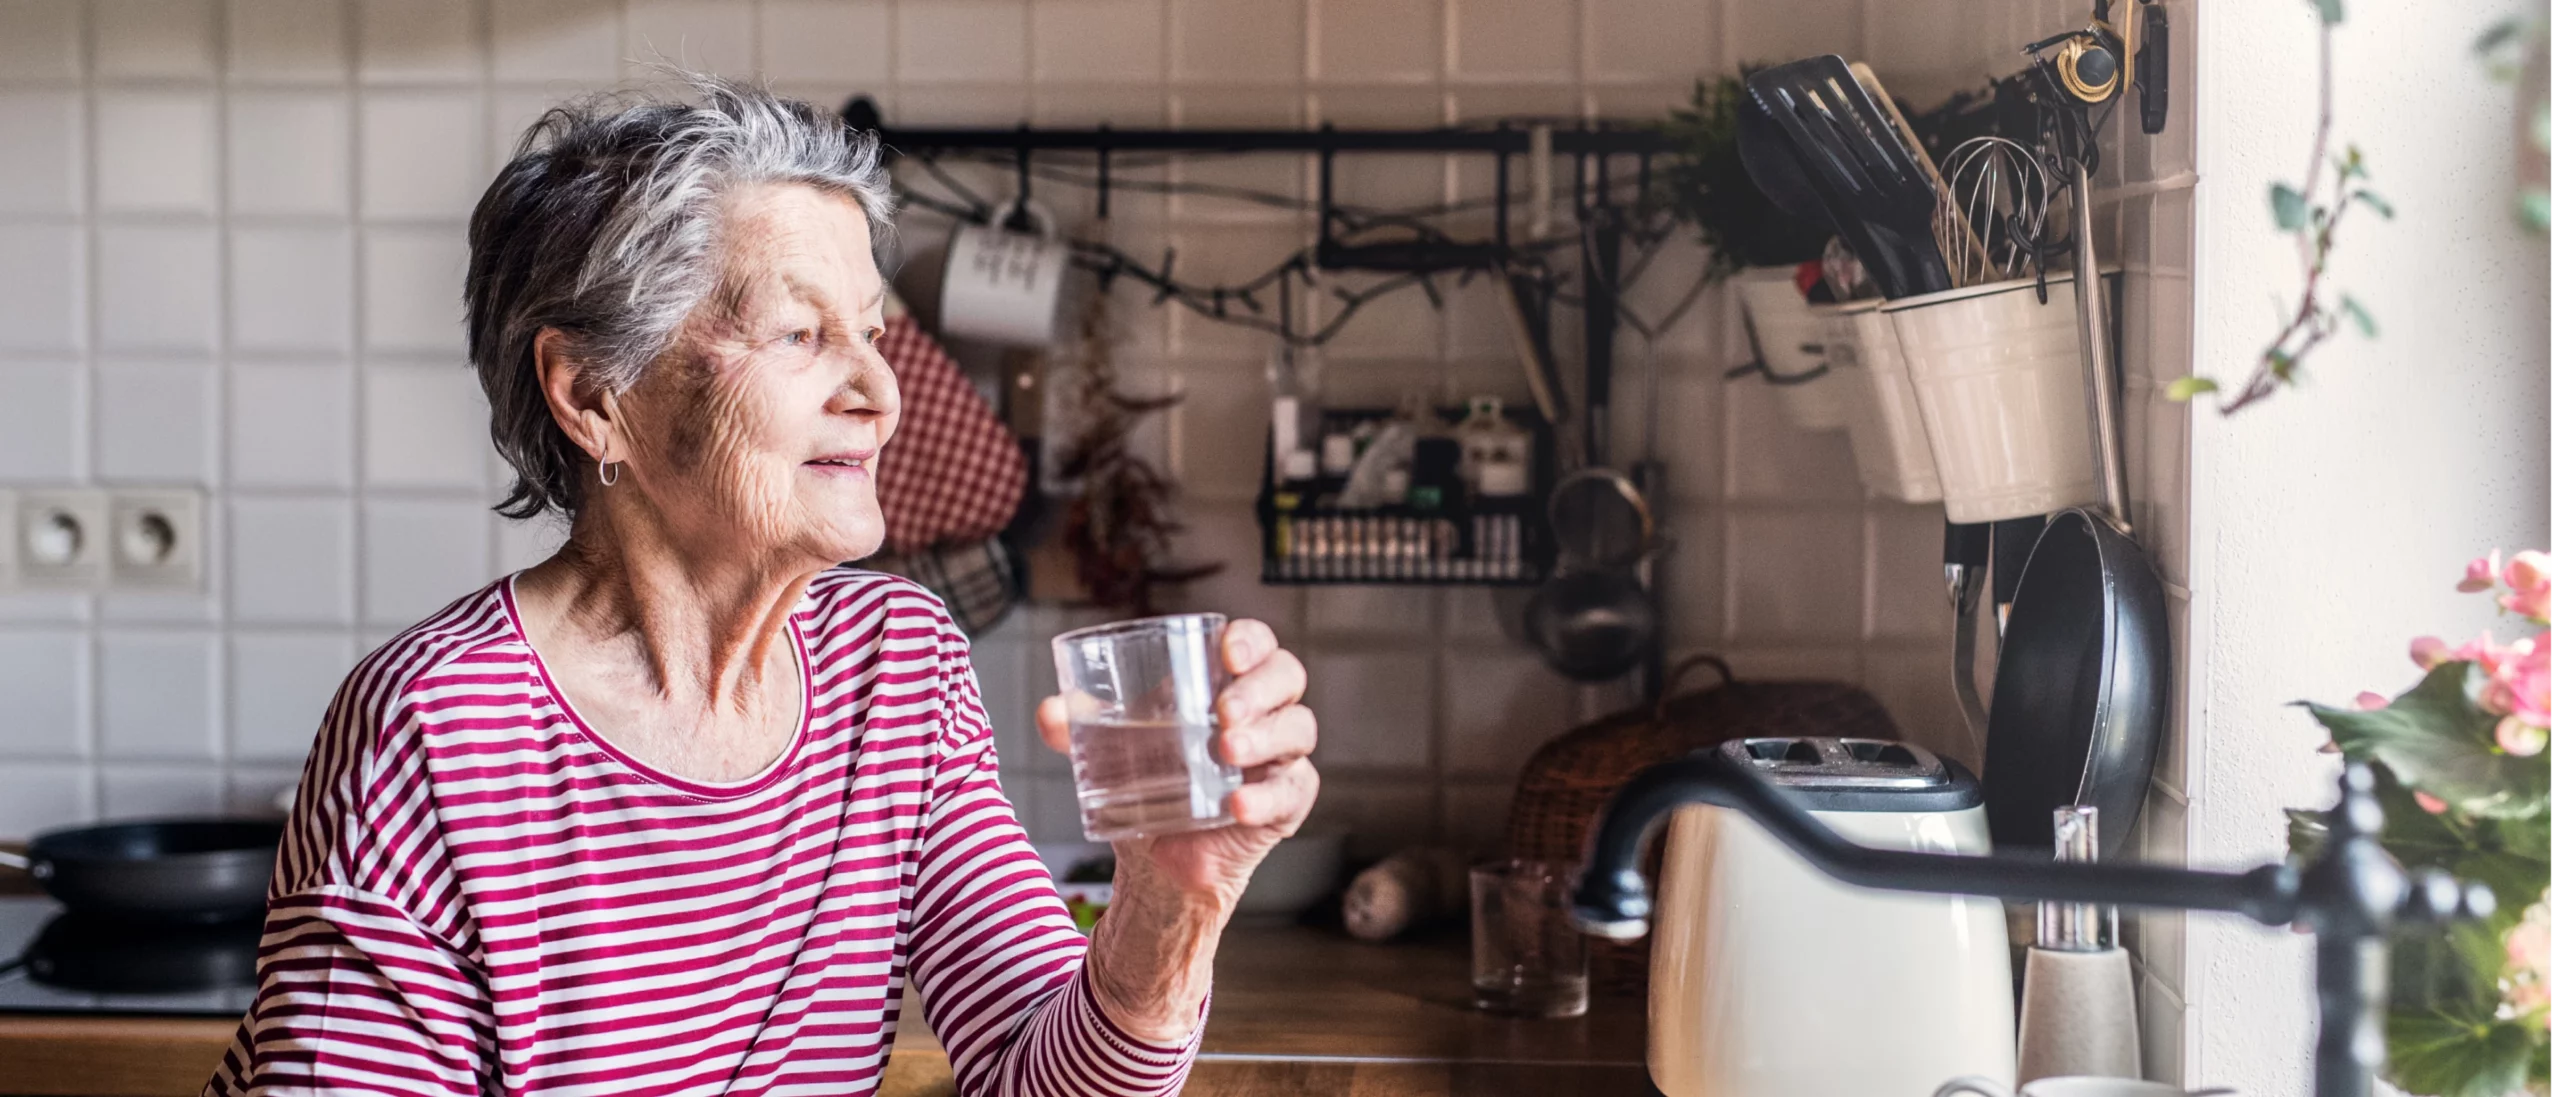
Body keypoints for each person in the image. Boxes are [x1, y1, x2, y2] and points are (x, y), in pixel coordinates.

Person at [204, 76, 1320, 1097]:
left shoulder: (896, 663)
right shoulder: (437, 727)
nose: (880, 392)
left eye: (872, 333)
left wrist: (1169, 906)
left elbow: (1041, 1076)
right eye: (800, 332)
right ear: (596, 394)